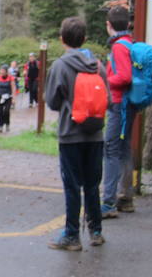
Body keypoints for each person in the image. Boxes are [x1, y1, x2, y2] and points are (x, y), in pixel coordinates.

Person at [44, 16, 109, 250]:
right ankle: (96, 231)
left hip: (70, 134)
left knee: (72, 186)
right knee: (92, 184)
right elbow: (108, 99)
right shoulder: (98, 66)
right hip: (95, 135)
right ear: (85, 39)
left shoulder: (60, 65)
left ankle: (72, 236)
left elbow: (52, 101)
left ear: (62, 39)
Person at [101, 4, 137, 218]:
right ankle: (126, 196)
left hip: (118, 104)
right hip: (127, 104)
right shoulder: (129, 43)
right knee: (123, 149)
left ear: (108, 25)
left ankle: (108, 201)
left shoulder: (119, 47)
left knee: (111, 150)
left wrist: (105, 80)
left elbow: (124, 76)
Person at [0, 63, 15, 133]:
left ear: (6, 71)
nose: (1, 72)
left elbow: (13, 87)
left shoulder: (10, 78)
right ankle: (0, 125)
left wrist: (13, 98)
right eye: (1, 70)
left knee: (6, 111)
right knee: (0, 111)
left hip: (8, 97)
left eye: (3, 70)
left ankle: (7, 124)